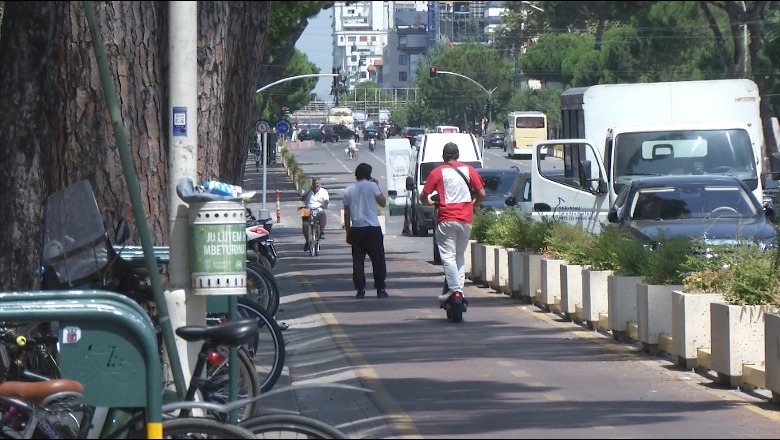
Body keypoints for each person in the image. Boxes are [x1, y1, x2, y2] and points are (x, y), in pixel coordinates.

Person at [419, 142, 486, 304]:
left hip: (446, 218)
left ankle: (455, 290)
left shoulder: (437, 172)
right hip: (466, 219)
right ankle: (459, 291)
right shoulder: (469, 170)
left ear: (443, 157)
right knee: (459, 256)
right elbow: (482, 194)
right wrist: (472, 205)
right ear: (458, 155)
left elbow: (423, 196)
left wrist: (428, 202)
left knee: (448, 257)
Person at [343, 163, 389, 298]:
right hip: (372, 228)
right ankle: (380, 288)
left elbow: (346, 213)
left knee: (358, 261)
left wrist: (348, 231)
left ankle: (360, 289)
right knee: (378, 259)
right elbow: (383, 203)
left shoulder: (349, 190)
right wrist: (377, 186)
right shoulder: (372, 186)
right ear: (369, 173)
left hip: (356, 228)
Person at [300, 177, 329, 252]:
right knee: (305, 224)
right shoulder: (308, 190)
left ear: (320, 184)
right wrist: (308, 192)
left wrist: (325, 205)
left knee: (323, 214)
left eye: (317, 184)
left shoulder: (324, 191)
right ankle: (307, 241)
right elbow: (302, 198)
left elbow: (326, 201)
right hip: (307, 209)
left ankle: (321, 232)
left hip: (318, 208)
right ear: (312, 184)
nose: (316, 185)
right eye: (314, 184)